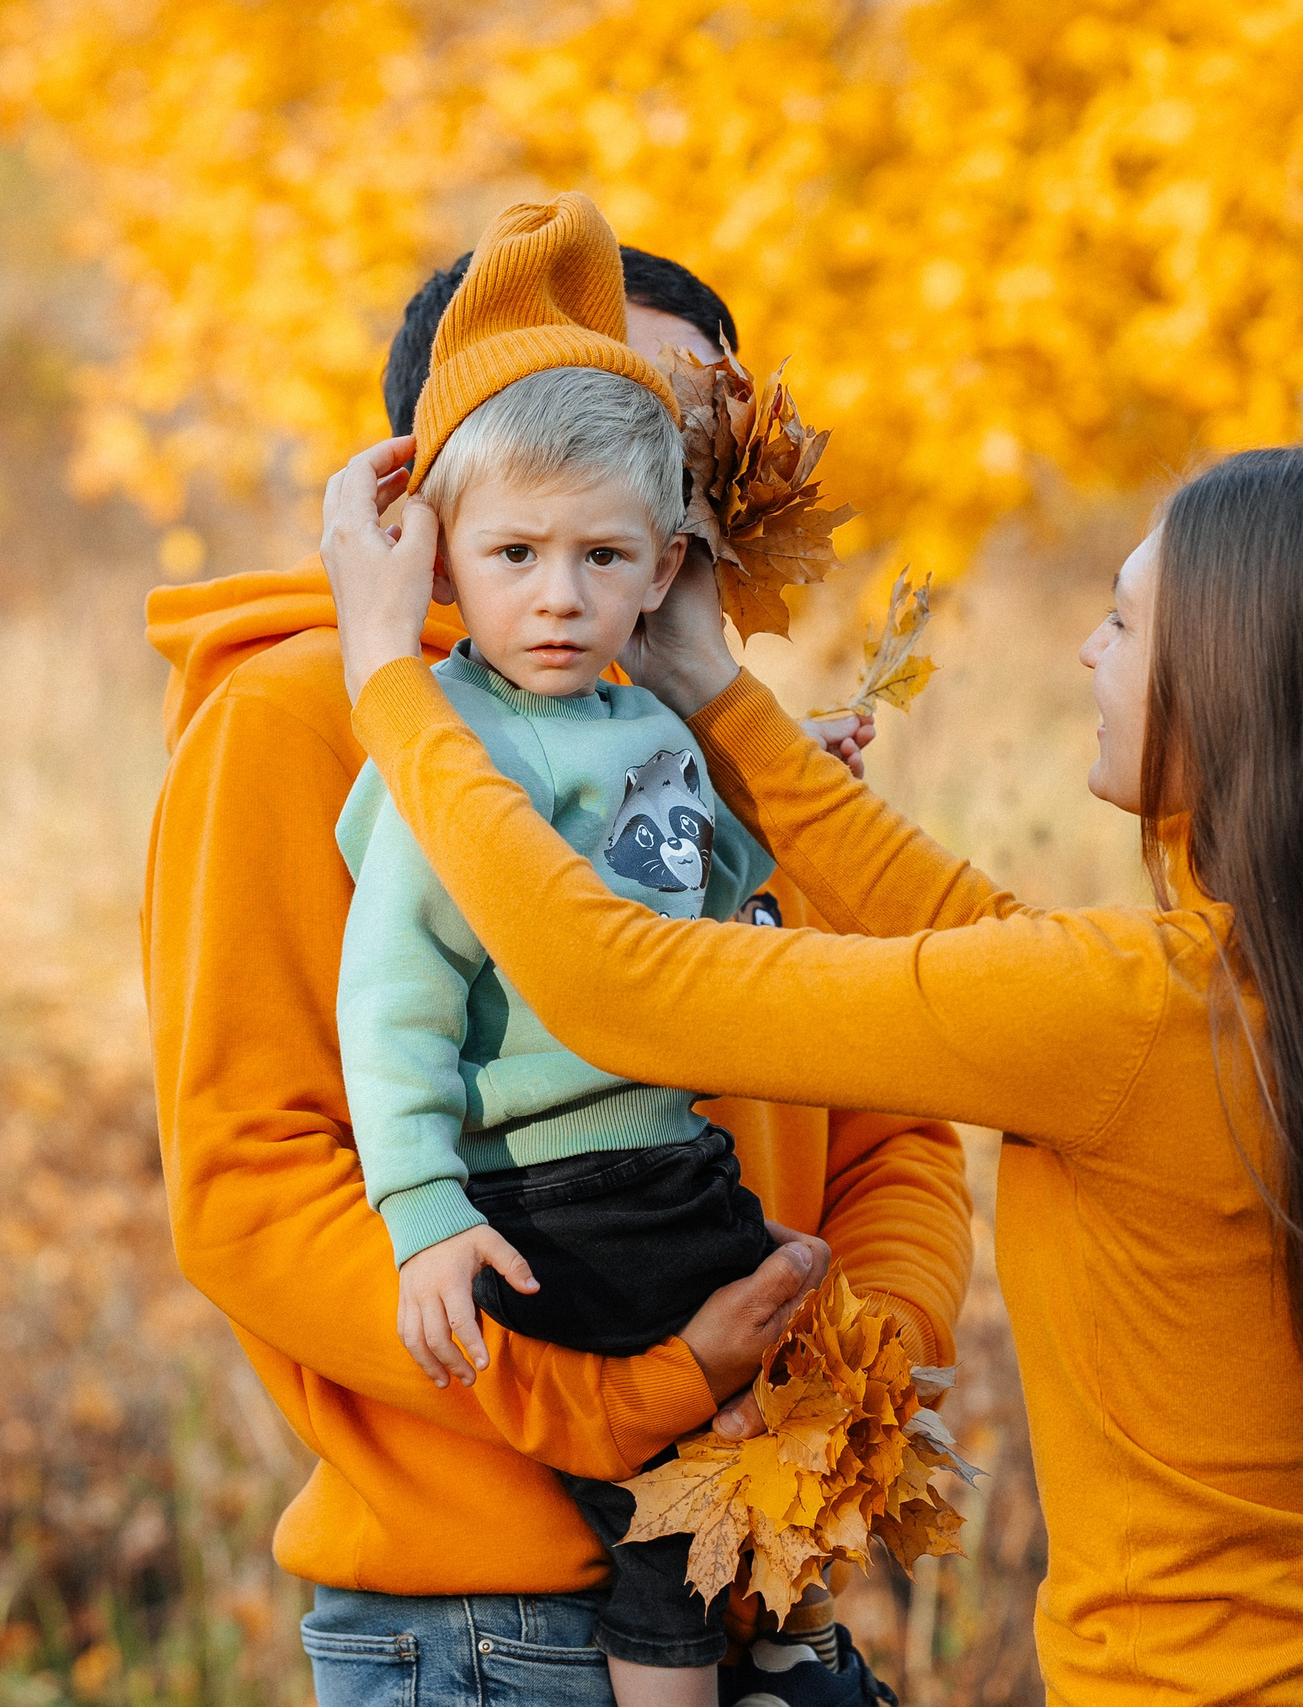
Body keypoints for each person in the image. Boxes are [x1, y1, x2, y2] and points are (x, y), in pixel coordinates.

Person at [320, 434, 1303, 1704]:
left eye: (1123, 620)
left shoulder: (1129, 1015)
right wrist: (712, 692)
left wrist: (392, 681)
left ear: (1241, 684)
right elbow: (979, 942)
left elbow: (617, 984)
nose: (1087, 651)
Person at [139, 213, 971, 1705]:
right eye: (581, 421)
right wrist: (635, 1396)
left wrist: (832, 1387)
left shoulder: (702, 739)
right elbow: (248, 1186)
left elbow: (899, 1123)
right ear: (435, 490)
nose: (643, 460)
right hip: (495, 1620)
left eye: (682, 451)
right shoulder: (293, 727)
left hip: (747, 1580)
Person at [337, 195, 789, 1707]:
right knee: (685, 1489)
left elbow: (703, 911)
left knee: (792, 1401)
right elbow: (395, 992)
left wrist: (778, 807)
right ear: (441, 561)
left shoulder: (646, 722)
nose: (559, 595)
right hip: (553, 1182)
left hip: (666, 1153)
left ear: (664, 570)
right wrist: (421, 1208)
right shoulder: (449, 749)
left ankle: (780, 1644)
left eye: (603, 558)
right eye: (516, 553)